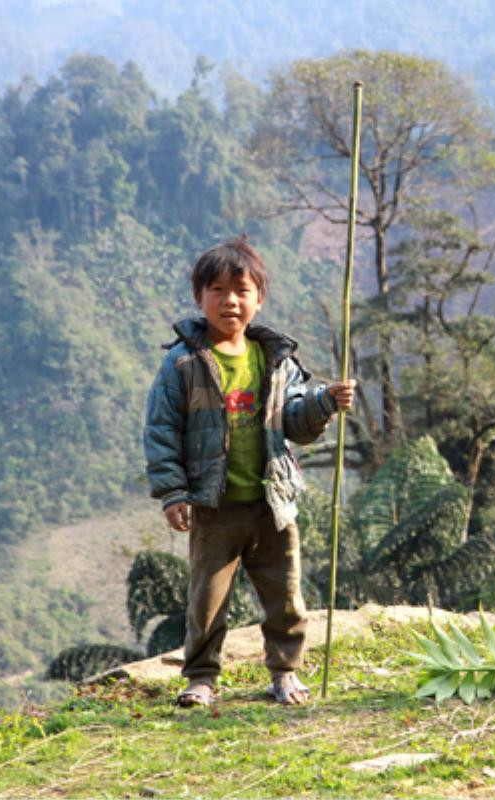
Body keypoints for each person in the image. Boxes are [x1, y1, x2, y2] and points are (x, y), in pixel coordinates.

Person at [144, 235, 354, 707]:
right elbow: (160, 430)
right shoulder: (182, 364)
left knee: (285, 595)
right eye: (216, 290)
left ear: (259, 299)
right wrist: (173, 492)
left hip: (271, 500)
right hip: (213, 505)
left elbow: (296, 423)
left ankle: (284, 672)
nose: (229, 301)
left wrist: (324, 402)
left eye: (241, 290)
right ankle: (201, 678)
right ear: (199, 298)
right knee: (207, 600)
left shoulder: (275, 362)